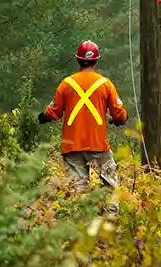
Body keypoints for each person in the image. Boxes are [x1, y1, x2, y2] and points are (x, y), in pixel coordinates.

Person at [40, 40, 127, 202]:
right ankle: (110, 222)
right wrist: (120, 120)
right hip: (98, 144)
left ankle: (79, 223)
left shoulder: (66, 84)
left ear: (78, 60)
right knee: (110, 187)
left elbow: (53, 113)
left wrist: (42, 117)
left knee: (77, 191)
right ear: (96, 60)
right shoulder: (105, 84)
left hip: (72, 145)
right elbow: (119, 115)